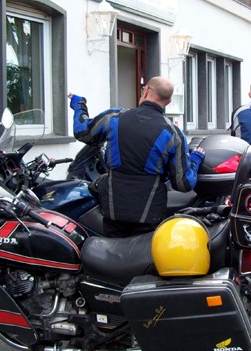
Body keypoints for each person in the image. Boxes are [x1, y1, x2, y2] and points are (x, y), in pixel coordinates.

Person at [68, 76, 205, 238]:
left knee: (113, 251)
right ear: (168, 102)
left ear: (146, 91)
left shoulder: (114, 117)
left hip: (114, 211)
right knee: (142, 253)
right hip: (149, 216)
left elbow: (82, 132)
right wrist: (195, 159)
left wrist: (79, 104)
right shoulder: (173, 133)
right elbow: (183, 184)